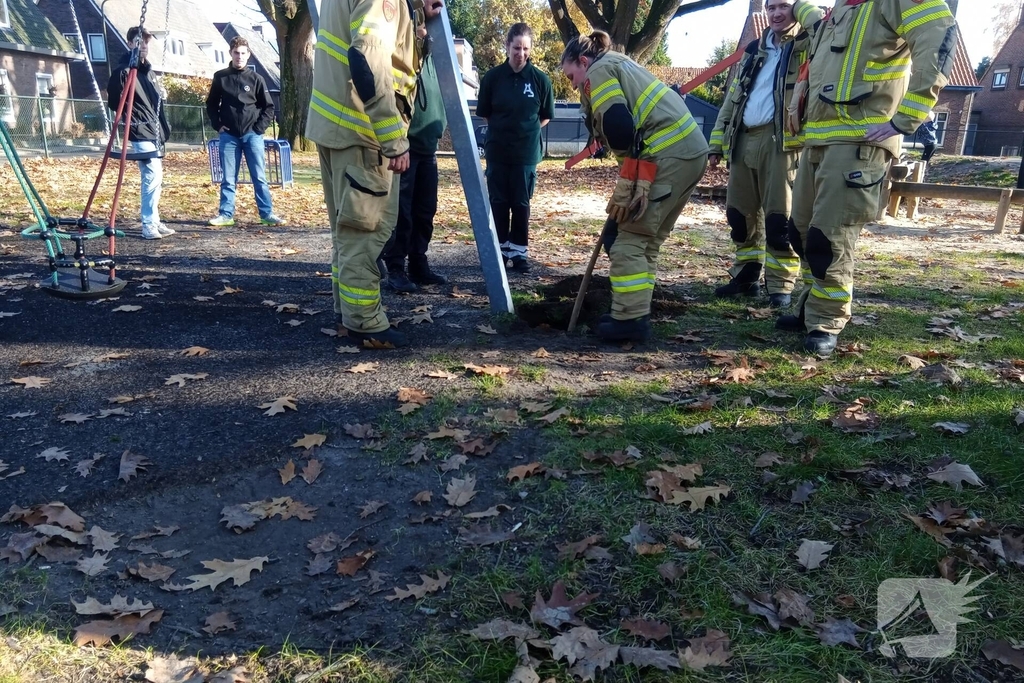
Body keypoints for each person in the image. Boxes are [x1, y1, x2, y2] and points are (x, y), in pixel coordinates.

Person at [782, 0, 955, 355]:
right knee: (800, 232)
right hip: (818, 141)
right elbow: (810, 19)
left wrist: (904, 120)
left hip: (859, 143)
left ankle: (826, 320)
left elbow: (940, 40)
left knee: (829, 237)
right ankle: (810, 305)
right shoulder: (839, 10)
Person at [306, 0, 443, 348]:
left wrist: (415, 25)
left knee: (346, 230)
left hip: (336, 128)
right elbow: (367, 59)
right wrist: (393, 138)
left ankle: (347, 310)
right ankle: (364, 321)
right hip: (363, 133)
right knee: (365, 232)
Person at [561, 31, 710, 343]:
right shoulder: (618, 62)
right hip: (690, 153)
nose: (573, 84)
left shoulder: (598, 72)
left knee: (627, 239)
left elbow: (618, 127)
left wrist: (628, 181)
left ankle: (629, 320)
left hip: (666, 155)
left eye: (571, 75)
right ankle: (636, 312)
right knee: (648, 240)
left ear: (583, 62)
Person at [708, 0, 824, 309]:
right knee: (740, 215)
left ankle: (780, 285)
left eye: (785, 6)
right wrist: (716, 143)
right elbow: (732, 99)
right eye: (771, 7)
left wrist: (805, 10)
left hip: (782, 144)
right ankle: (746, 276)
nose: (775, 14)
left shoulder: (810, 43)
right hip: (745, 139)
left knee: (779, 220)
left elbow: (825, 29)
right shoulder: (754, 50)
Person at [475, 23, 554, 273]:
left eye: (525, 48)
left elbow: (546, 116)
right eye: (516, 48)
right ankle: (499, 251)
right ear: (507, 47)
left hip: (525, 154)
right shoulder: (492, 78)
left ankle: (519, 253)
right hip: (498, 152)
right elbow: (486, 114)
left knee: (521, 203)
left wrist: (525, 132)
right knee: (498, 202)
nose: (521, 53)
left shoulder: (540, 80)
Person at [382, 44, 448, 293]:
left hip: (428, 146)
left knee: (425, 210)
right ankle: (396, 266)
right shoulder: (404, 52)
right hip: (405, 146)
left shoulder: (433, 58)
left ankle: (418, 262)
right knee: (402, 212)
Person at [205, 36, 285, 227]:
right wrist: (218, 125)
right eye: (236, 53)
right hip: (229, 136)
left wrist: (258, 129)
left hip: (252, 135)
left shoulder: (257, 79)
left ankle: (267, 214)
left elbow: (269, 107)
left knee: (259, 177)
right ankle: (226, 215)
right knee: (228, 178)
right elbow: (211, 104)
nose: (239, 56)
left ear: (248, 55)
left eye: (243, 53)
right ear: (230, 53)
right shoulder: (220, 77)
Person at [107, 26, 172, 241]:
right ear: (129, 44)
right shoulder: (124, 71)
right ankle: (147, 224)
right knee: (151, 176)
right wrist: (129, 115)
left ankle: (154, 218)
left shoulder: (148, 72)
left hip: (154, 131)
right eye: (138, 42)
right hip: (138, 129)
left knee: (157, 177)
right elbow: (114, 103)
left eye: (145, 42)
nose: (143, 46)